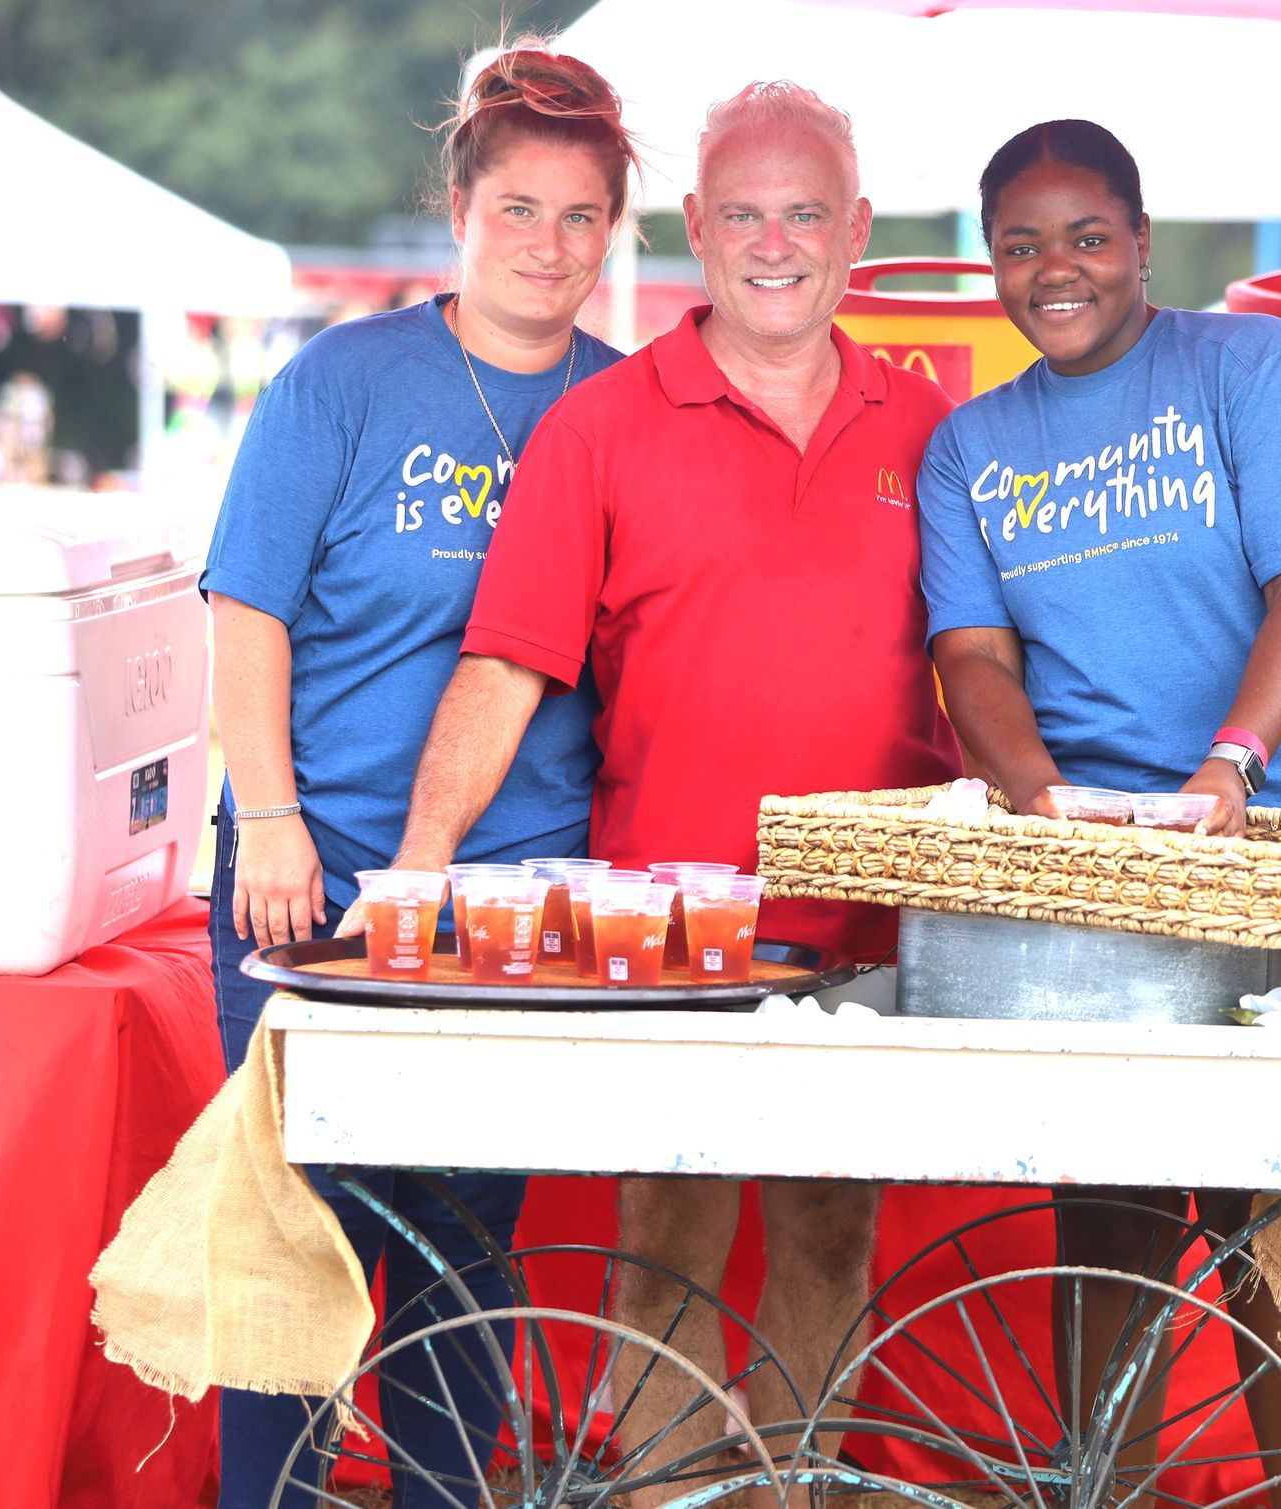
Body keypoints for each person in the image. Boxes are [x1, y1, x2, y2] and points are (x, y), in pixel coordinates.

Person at [350, 78, 961, 1477]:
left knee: (828, 1231)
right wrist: (421, 863)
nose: (773, 241)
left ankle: (793, 1494)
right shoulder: (605, 426)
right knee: (666, 1250)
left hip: (868, 941)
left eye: (805, 210)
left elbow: (992, 667)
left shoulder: (927, 431)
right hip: (669, 939)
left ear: (856, 229)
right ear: (695, 224)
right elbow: (506, 665)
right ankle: (675, 1498)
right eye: (742, 210)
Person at [915, 119, 1281, 1506]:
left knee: (1277, 1225)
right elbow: (973, 659)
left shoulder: (1251, 366)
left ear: (1142, 244)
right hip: (1101, 874)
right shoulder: (971, 448)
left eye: (1086, 238)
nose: (1055, 269)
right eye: (1020, 243)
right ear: (988, 257)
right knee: (1103, 1213)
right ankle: (1099, 1490)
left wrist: (1226, 767)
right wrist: (1045, 798)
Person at [200, 42, 639, 1508]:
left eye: (581, 217)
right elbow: (246, 613)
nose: (549, 246)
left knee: (461, 1251)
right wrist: (268, 823)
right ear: (457, 205)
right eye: (519, 208)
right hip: (308, 872)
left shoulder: (625, 406)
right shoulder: (342, 381)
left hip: (512, 905)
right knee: (297, 1247)